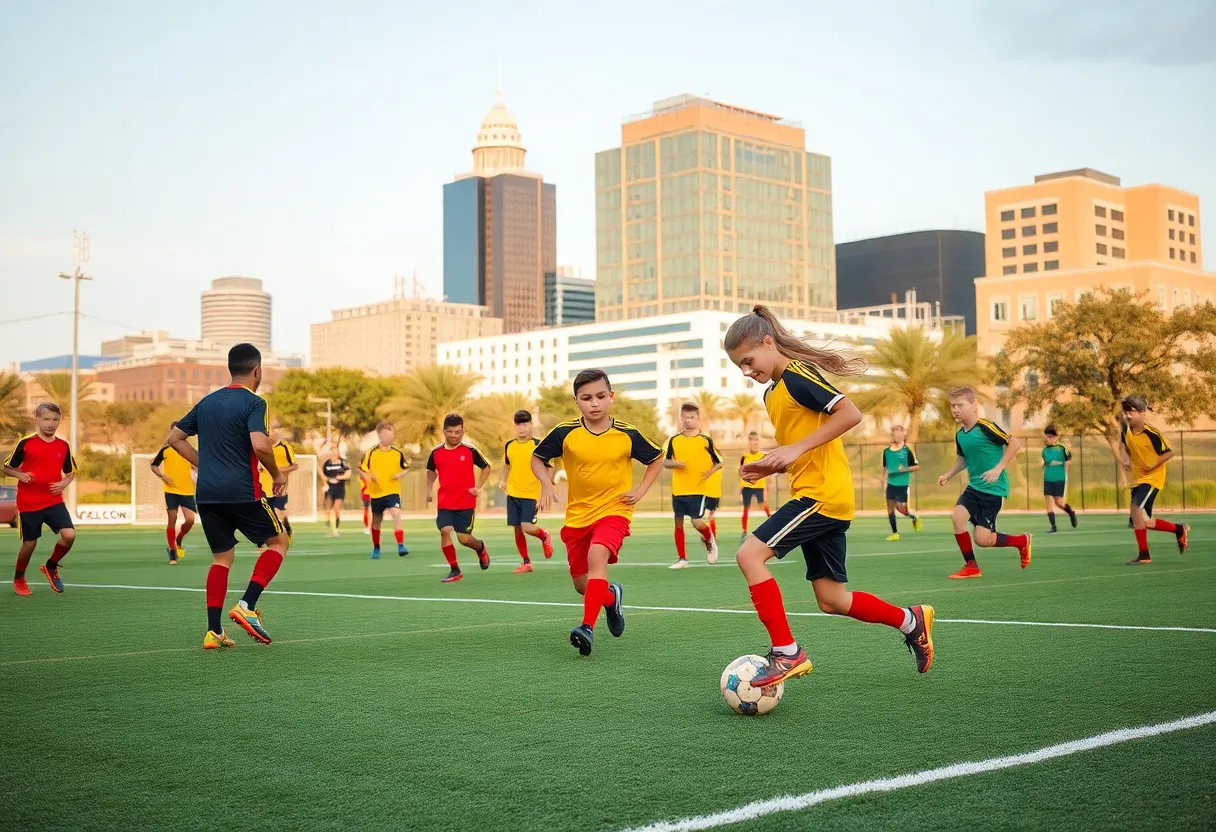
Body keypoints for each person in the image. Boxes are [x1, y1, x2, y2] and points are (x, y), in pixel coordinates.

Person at [723, 307, 934, 687]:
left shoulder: (797, 376)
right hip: (819, 495)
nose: (745, 371)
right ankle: (911, 620)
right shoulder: (773, 393)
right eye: (739, 366)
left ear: (768, 343)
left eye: (748, 361)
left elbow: (850, 414)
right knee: (832, 600)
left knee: (748, 555)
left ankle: (787, 653)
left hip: (821, 496)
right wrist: (775, 465)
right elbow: (806, 446)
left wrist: (792, 450)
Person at [166, 343, 290, 649]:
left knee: (222, 558)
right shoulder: (255, 402)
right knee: (279, 541)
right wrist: (277, 474)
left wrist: (202, 463)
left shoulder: (206, 402)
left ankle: (214, 632)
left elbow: (174, 438)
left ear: (230, 368)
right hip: (242, 490)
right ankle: (247, 604)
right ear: (257, 371)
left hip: (207, 494)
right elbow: (260, 445)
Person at [534, 369, 664, 657]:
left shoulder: (627, 434)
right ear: (576, 401)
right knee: (583, 585)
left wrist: (641, 490)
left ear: (611, 397)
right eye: (587, 398)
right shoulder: (565, 433)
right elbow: (537, 458)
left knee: (598, 556)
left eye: (600, 396)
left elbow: (656, 458)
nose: (594, 403)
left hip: (615, 510)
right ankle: (610, 598)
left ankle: (587, 628)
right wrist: (545, 483)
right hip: (577, 517)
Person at [937, 387, 1031, 579]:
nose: (955, 409)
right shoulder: (960, 435)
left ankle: (1022, 541)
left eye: (960, 405)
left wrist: (998, 468)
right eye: (952, 406)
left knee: (983, 539)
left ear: (973, 405)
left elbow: (1014, 443)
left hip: (994, 490)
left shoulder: (986, 427)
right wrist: (948, 474)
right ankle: (971, 566)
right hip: (974, 488)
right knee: (957, 517)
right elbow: (963, 460)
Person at [3, 402, 77, 596]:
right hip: (29, 503)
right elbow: (6, 468)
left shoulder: (63, 445)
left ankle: (51, 566)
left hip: (54, 501)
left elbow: (71, 473)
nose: (51, 424)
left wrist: (64, 483)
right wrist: (19, 475)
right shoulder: (26, 443)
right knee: (30, 544)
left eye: (55, 420)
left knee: (69, 535)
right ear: (37, 420)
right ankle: (19, 578)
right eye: (46, 419)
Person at [1120, 396, 1188, 564]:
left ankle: (1144, 555)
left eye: (1130, 412)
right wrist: (1125, 459)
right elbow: (1123, 445)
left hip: (1152, 478)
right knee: (1141, 520)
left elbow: (1169, 452)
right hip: (1137, 479)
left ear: (1142, 413)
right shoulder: (1126, 430)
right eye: (1124, 412)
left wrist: (1152, 466)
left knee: (1135, 511)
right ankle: (1178, 529)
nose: (1126, 415)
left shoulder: (1152, 434)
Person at [426, 413, 492, 582]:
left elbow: (486, 467)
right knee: (445, 530)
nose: (454, 435)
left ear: (463, 431)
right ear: (443, 431)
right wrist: (428, 490)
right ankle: (454, 569)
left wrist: (478, 487)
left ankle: (480, 547)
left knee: (464, 539)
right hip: (445, 502)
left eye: (458, 432)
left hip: (465, 502)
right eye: (450, 432)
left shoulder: (470, 450)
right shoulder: (436, 453)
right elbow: (431, 471)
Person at [664, 402, 721, 569]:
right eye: (685, 417)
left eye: (692, 417)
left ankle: (709, 539)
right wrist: (674, 464)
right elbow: (666, 462)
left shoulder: (705, 441)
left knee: (697, 522)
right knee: (678, 523)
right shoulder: (674, 440)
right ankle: (682, 559)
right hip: (678, 489)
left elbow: (719, 462)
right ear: (681, 418)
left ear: (698, 419)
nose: (688, 420)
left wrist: (709, 473)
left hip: (698, 489)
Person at [497, 410, 555, 574]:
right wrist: (503, 480)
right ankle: (526, 562)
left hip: (532, 493)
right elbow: (507, 465)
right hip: (513, 493)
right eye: (518, 424)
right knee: (517, 528)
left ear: (531, 424)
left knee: (527, 527)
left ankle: (545, 536)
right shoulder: (509, 445)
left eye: (525, 423)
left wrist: (546, 488)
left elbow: (550, 468)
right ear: (514, 426)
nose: (522, 428)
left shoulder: (538, 445)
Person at [359, 422, 411, 559]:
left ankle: (401, 545)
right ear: (380, 435)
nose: (391, 438)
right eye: (388, 435)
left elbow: (406, 468)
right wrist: (370, 476)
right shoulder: (371, 452)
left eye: (392, 435)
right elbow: (362, 470)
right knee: (377, 519)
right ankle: (376, 548)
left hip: (392, 492)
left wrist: (400, 474)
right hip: (376, 493)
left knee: (396, 513)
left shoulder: (397, 453)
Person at [150, 423, 197, 564]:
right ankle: (172, 551)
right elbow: (153, 465)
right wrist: (162, 476)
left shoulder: (189, 450)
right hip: (171, 490)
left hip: (187, 490)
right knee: (173, 518)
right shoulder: (166, 450)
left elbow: (197, 464)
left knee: (190, 519)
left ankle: (179, 538)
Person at [259, 418, 298, 543]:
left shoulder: (284, 446)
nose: (274, 432)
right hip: (263, 488)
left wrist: (279, 470)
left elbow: (295, 466)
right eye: (272, 429)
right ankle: (262, 543)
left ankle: (286, 530)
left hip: (280, 488)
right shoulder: (260, 447)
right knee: (264, 516)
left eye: (276, 429)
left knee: (280, 514)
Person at [880, 425, 922, 541]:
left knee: (901, 509)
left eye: (899, 433)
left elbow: (916, 467)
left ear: (903, 435)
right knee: (890, 509)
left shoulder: (907, 451)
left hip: (903, 483)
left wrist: (903, 469)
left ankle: (914, 517)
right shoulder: (886, 451)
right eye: (895, 434)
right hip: (891, 483)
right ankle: (895, 533)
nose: (897, 436)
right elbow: (885, 467)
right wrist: (883, 479)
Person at [1040, 425, 1077, 534]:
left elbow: (1068, 459)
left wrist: (1065, 469)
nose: (1048, 438)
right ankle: (1053, 526)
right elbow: (1046, 462)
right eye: (1046, 436)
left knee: (1059, 502)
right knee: (1048, 501)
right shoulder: (1044, 451)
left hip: (1059, 478)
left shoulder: (1062, 449)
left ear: (1055, 437)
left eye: (1050, 436)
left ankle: (1071, 512)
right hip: (1048, 479)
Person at [738, 431, 771, 542]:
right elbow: (741, 471)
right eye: (752, 441)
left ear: (758, 442)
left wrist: (769, 485)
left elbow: (767, 470)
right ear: (749, 442)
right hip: (746, 486)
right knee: (746, 508)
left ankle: (772, 522)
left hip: (759, 485)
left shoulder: (762, 456)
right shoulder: (744, 456)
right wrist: (740, 489)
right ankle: (744, 531)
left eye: (756, 441)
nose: (754, 443)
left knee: (762, 505)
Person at [321, 446, 351, 538]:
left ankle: (336, 526)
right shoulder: (327, 463)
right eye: (332, 452)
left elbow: (348, 474)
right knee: (328, 509)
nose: (333, 454)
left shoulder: (343, 462)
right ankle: (331, 527)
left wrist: (339, 477)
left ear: (338, 453)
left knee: (336, 509)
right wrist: (325, 483)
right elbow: (323, 476)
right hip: (330, 488)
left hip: (339, 488)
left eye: (335, 452)